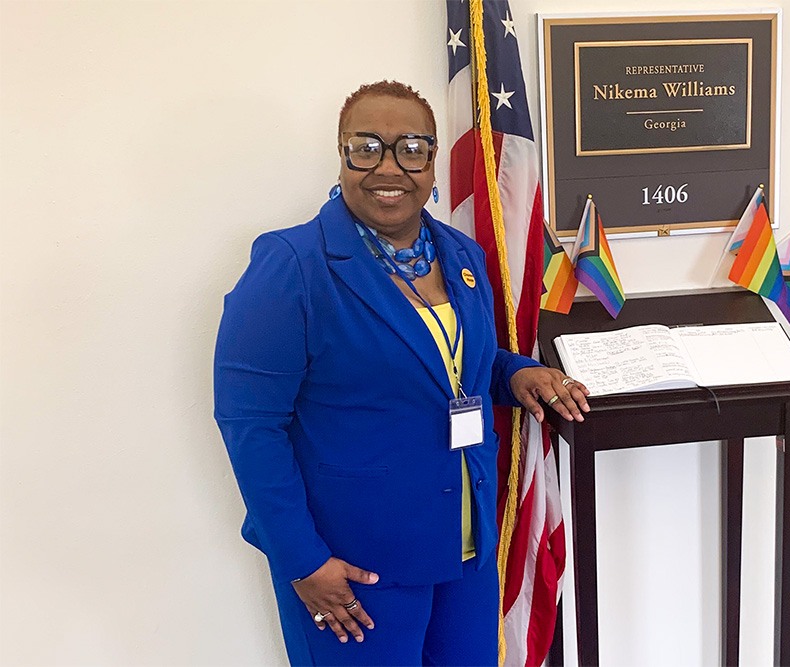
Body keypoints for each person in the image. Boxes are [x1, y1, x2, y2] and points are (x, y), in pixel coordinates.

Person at [213, 80, 590, 667]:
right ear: (342, 154)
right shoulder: (293, 266)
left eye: (411, 148)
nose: (389, 166)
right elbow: (249, 423)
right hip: (357, 568)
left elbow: (456, 364)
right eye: (367, 147)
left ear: (433, 159)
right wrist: (302, 562)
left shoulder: (462, 256)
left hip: (463, 549)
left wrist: (516, 374)